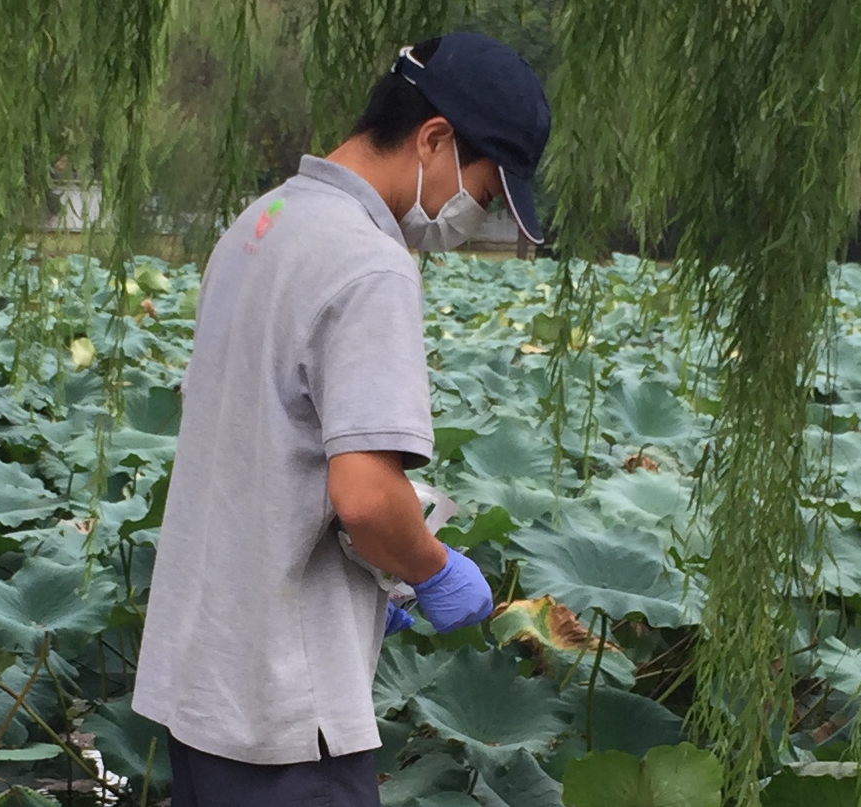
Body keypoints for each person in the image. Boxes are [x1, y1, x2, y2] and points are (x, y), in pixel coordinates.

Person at [131, 32, 551, 806]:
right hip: (287, 712)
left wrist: (374, 587)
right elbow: (362, 494)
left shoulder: (263, 221)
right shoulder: (369, 262)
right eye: (486, 194)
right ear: (434, 139)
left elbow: (259, 443)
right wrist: (429, 568)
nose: (477, 217)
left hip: (204, 681)